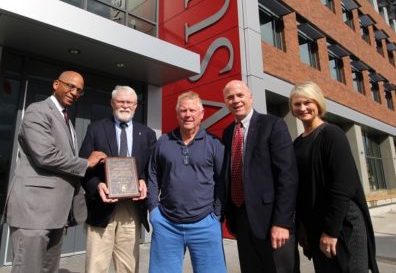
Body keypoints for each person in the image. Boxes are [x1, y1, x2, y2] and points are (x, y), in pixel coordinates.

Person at [5, 71, 106, 273]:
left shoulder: (66, 119)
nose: (74, 92)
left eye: (79, 90)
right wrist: (85, 163)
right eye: (70, 86)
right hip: (34, 212)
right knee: (28, 268)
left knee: (48, 269)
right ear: (55, 84)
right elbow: (45, 155)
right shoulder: (38, 111)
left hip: (55, 214)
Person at [289, 81, 379, 273]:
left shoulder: (332, 134)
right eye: (297, 104)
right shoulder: (297, 143)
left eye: (307, 102)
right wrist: (302, 226)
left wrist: (331, 231)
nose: (302, 108)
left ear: (318, 103)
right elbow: (302, 190)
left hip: (343, 225)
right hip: (315, 227)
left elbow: (343, 187)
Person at [222, 80, 298, 273]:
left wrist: (282, 222)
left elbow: (287, 177)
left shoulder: (273, 125)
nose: (236, 100)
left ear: (250, 97)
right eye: (230, 97)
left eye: (240, 95)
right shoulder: (228, 132)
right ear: (225, 102)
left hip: (272, 221)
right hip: (241, 220)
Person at [79, 85, 156, 273]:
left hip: (131, 208)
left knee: (128, 266)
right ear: (112, 103)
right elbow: (83, 166)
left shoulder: (147, 134)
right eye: (120, 101)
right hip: (101, 205)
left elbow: (151, 169)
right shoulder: (96, 129)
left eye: (129, 102)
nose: (125, 105)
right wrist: (97, 186)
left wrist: (144, 181)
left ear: (136, 106)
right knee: (96, 266)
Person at [147, 91, 226, 273]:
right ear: (177, 114)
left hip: (205, 223)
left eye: (192, 110)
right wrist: (153, 210)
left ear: (201, 113)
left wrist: (216, 214)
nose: (188, 114)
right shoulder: (163, 142)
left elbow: (222, 181)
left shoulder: (214, 143)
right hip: (167, 224)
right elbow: (152, 176)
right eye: (183, 110)